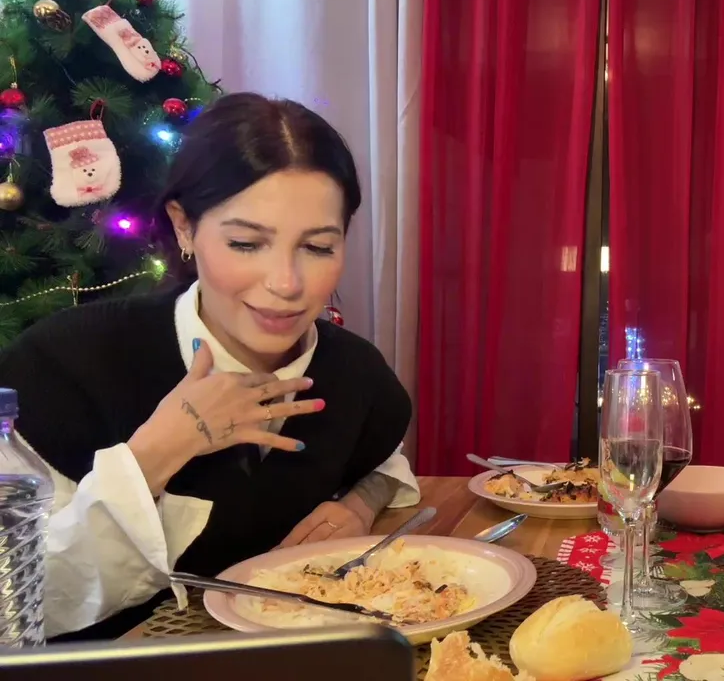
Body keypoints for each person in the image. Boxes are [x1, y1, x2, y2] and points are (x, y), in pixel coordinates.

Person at [0, 92, 420, 640]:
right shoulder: (65, 365)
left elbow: (384, 463)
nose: (286, 284)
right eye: (246, 243)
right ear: (184, 227)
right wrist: (155, 454)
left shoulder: (354, 371)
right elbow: (14, 603)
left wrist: (361, 505)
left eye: (317, 247)